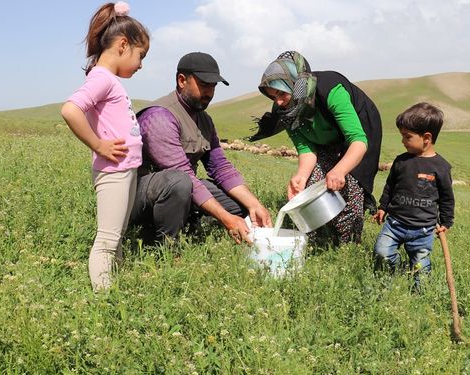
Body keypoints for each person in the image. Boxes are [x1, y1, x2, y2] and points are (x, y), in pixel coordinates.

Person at [130, 52, 272, 244]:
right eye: (204, 85)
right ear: (182, 80)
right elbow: (183, 174)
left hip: (181, 188)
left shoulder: (204, 119)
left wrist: (255, 205)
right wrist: (225, 218)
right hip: (138, 196)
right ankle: (165, 246)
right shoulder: (159, 117)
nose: (210, 93)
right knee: (178, 182)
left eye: (213, 86)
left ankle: (192, 226)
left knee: (241, 207)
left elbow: (221, 167)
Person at [60, 2, 149, 291]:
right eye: (141, 55)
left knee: (117, 237)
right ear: (123, 45)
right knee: (107, 241)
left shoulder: (108, 80)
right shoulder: (101, 79)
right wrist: (99, 145)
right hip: (113, 170)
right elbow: (71, 110)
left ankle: (116, 285)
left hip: (125, 169)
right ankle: (105, 298)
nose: (141, 64)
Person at [254, 51, 382, 244]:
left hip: (357, 137)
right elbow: (306, 149)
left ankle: (348, 246)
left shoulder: (331, 90)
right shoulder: (286, 111)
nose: (278, 102)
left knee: (349, 186)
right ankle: (317, 241)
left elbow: (357, 140)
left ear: (297, 85)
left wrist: (339, 170)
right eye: (273, 96)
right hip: (324, 139)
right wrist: (300, 176)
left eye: (282, 93)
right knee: (313, 184)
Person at [372, 102, 455, 291]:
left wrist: (446, 222)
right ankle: (394, 272)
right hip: (395, 224)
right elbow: (390, 186)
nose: (403, 141)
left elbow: (447, 198)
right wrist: (383, 207)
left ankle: (420, 295)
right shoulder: (401, 161)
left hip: (423, 230)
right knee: (382, 252)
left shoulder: (441, 167)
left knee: (421, 267)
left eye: (407, 137)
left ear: (427, 138)